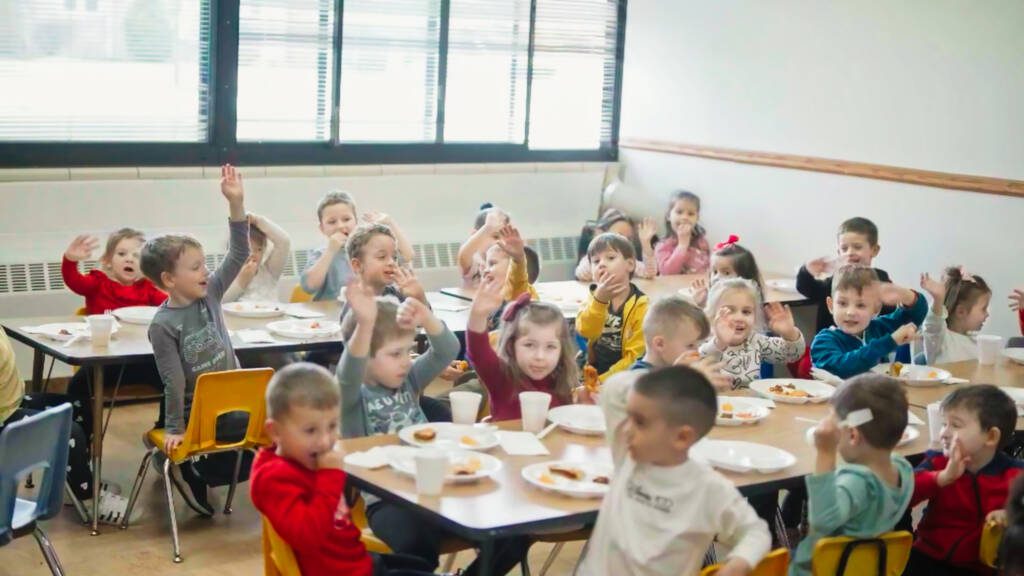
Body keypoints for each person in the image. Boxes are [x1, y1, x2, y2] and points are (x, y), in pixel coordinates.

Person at [577, 365, 771, 575]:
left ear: (682, 437)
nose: (625, 429)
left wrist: (735, 567)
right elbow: (615, 387)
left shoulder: (708, 488)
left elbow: (756, 533)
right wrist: (678, 372)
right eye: (629, 417)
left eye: (640, 422)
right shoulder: (628, 456)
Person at [250, 363, 438, 576]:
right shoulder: (274, 477)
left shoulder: (307, 460)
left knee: (422, 563)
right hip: (342, 571)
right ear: (275, 432)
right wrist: (329, 476)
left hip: (357, 561)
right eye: (310, 430)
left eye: (332, 427)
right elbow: (308, 537)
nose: (324, 441)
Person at [140, 164, 251, 515]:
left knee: (255, 446)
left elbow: (238, 253)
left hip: (232, 404)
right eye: (196, 267)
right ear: (169, 279)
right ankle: (183, 467)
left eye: (204, 264)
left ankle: (196, 470)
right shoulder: (163, 325)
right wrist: (173, 428)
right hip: (193, 413)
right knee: (221, 452)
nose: (206, 271)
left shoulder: (211, 294)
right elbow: (173, 380)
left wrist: (236, 203)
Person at [789, 374, 914, 576]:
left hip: (819, 570)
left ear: (853, 435)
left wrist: (825, 453)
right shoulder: (903, 469)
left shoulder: (857, 482)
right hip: (866, 568)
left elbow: (822, 521)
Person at [905, 385, 1024, 575]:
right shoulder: (938, 462)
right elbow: (902, 495)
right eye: (944, 424)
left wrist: (1013, 514)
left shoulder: (1015, 474)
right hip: (929, 557)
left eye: (956, 425)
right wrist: (941, 478)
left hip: (986, 567)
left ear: (991, 436)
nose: (944, 433)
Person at [466, 278, 579, 420]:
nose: (540, 356)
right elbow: (478, 351)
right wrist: (477, 315)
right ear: (511, 346)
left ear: (561, 349)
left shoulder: (563, 383)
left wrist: (582, 406)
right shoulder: (501, 376)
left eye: (550, 347)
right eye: (529, 345)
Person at [810, 265, 926, 379]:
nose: (850, 312)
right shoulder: (823, 340)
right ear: (831, 306)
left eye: (860, 305)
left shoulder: (878, 328)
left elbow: (915, 314)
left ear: (876, 308)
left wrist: (904, 294)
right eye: (842, 303)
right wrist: (890, 341)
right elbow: (841, 368)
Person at [699, 278, 804, 389]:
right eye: (729, 311)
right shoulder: (706, 341)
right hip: (716, 403)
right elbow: (697, 364)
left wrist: (789, 333)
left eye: (746, 312)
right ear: (712, 316)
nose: (739, 318)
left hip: (752, 404)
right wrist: (720, 342)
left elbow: (792, 355)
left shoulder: (756, 341)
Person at [576, 233, 649, 382]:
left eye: (610, 258)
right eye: (596, 261)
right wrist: (599, 301)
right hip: (593, 368)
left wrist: (602, 380)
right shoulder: (594, 296)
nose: (602, 264)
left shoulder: (641, 305)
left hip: (626, 376)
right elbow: (585, 331)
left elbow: (635, 357)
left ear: (630, 264)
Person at [919, 267, 992, 363]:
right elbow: (932, 325)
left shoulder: (975, 342)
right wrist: (938, 299)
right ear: (961, 312)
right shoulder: (940, 340)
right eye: (983, 309)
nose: (987, 314)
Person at [653, 190, 711, 276]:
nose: (685, 217)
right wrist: (682, 245)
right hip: (673, 288)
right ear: (669, 216)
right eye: (679, 212)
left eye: (690, 214)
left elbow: (708, 268)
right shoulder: (663, 246)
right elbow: (668, 273)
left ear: (697, 218)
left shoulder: (701, 242)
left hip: (697, 286)